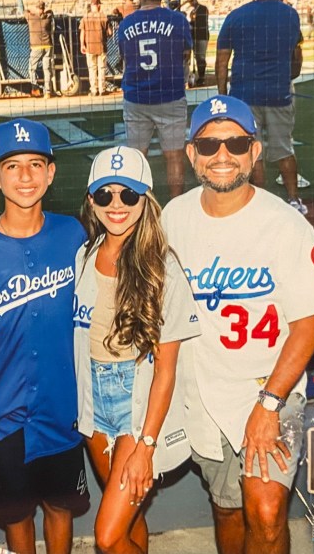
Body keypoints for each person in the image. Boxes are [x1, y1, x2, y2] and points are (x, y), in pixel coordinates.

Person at [163, 95, 314, 554]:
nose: (222, 155)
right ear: (191, 154)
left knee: (265, 512)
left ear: (255, 151)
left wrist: (269, 405)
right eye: (209, 145)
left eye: (236, 143)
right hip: (202, 389)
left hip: (269, 387)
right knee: (227, 508)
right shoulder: (173, 218)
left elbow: (307, 326)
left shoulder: (286, 225)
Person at [0, 118, 90, 554]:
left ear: (51, 173)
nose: (25, 176)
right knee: (17, 515)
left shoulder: (73, 234)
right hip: (4, 407)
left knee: (60, 507)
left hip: (62, 403)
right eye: (12, 166)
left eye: (36, 164)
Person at [74, 146, 200, 554]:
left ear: (145, 200)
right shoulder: (84, 255)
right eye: (105, 194)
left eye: (128, 194)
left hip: (136, 403)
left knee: (108, 536)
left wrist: (147, 444)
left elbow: (165, 370)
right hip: (92, 401)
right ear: (91, 200)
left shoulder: (163, 267)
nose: (117, 205)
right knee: (131, 517)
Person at [215, 0, 307, 214]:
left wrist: (223, 96)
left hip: (245, 95)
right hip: (278, 93)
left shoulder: (236, 16)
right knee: (284, 149)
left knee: (252, 152)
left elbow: (222, 61)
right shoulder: (290, 15)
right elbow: (296, 56)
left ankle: (259, 203)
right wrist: (287, 77)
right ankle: (294, 200)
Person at [118, 0, 192, 199]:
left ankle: (140, 206)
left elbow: (124, 58)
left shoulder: (126, 23)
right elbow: (186, 54)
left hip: (137, 96)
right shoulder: (178, 19)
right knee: (175, 156)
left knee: (137, 157)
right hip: (170, 95)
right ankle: (175, 205)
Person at [26, 1, 58, 98]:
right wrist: (44, 12)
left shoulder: (31, 18)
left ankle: (35, 89)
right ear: (43, 9)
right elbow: (50, 12)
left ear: (37, 8)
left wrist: (33, 10)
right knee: (47, 69)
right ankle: (48, 91)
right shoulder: (48, 18)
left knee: (31, 68)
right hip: (48, 46)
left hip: (36, 46)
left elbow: (26, 10)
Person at [80, 0, 111, 97]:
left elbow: (82, 32)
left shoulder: (85, 17)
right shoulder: (103, 17)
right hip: (101, 46)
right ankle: (102, 89)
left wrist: (82, 44)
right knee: (101, 68)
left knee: (92, 68)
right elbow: (110, 32)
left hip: (89, 47)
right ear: (98, 5)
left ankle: (94, 90)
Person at [187, 0, 209, 86]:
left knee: (200, 57)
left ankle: (202, 77)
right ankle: (194, 76)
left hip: (202, 36)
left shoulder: (203, 8)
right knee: (194, 57)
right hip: (194, 36)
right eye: (189, 1)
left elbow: (201, 21)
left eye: (191, 0)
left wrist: (192, 21)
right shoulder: (192, 11)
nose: (190, 3)